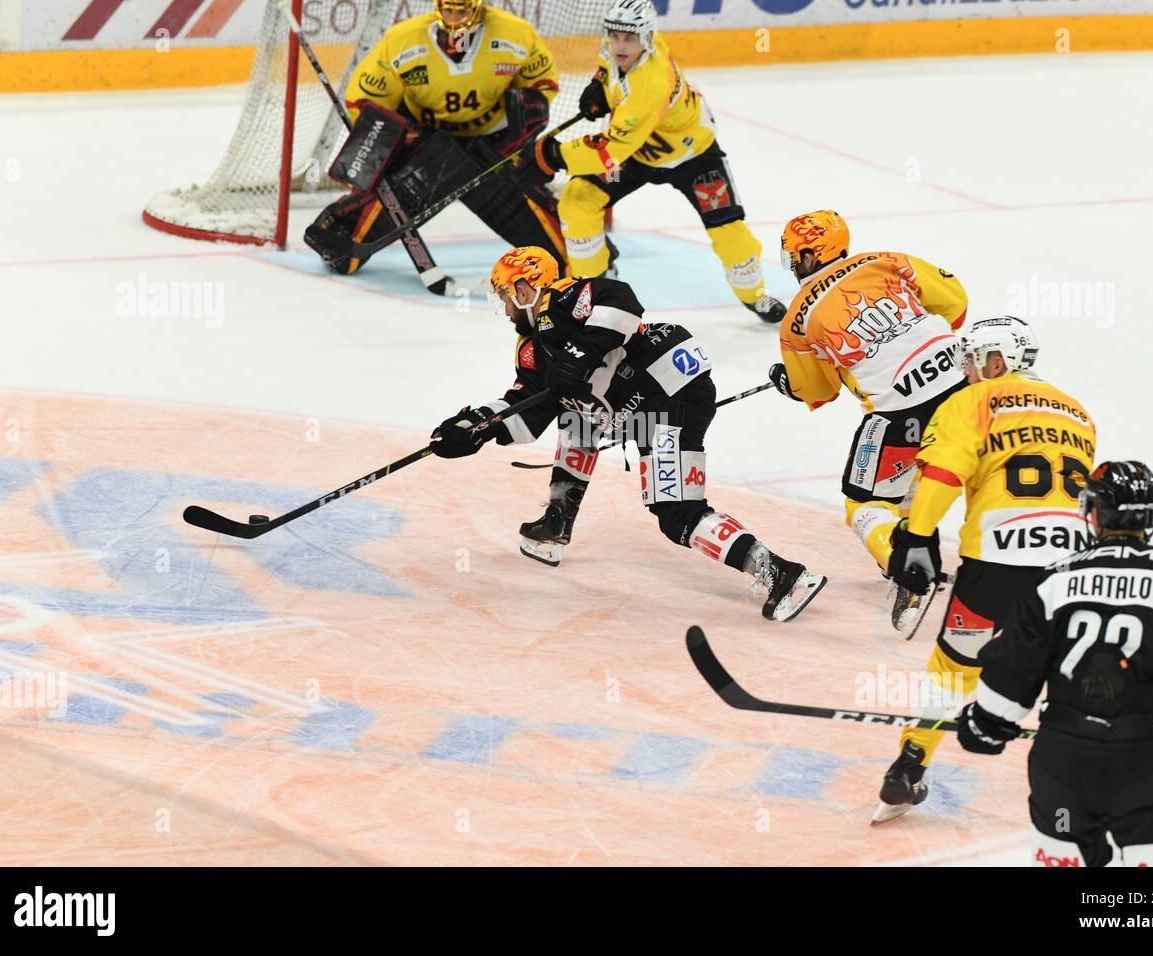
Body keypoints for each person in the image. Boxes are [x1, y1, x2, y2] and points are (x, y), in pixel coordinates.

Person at [429, 245, 827, 621]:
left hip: (668, 390)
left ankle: (782, 573)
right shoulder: (531, 349)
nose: (504, 307)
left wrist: (581, 353)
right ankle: (558, 518)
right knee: (577, 420)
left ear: (525, 288)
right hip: (644, 407)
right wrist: (476, 428)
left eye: (505, 296)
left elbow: (621, 301)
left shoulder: (564, 297)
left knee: (677, 515)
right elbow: (527, 407)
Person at [956, 461, 1153, 866]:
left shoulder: (1052, 579)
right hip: (1145, 762)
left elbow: (1013, 668)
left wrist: (988, 720)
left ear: (1095, 511)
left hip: (1062, 761)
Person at [872, 314, 1098, 823]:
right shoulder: (1079, 412)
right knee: (1073, 672)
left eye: (974, 360)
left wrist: (916, 535)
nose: (968, 370)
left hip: (997, 559)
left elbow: (944, 474)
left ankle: (908, 766)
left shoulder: (974, 400)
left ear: (999, 361)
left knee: (952, 671)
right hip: (1070, 568)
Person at [515, 0, 785, 322]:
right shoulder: (619, 48)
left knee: (728, 231)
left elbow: (610, 150)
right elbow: (610, 72)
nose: (620, 45)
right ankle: (597, 287)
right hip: (639, 155)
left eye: (629, 39)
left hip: (692, 155)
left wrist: (554, 155)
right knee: (577, 200)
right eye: (615, 36)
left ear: (647, 38)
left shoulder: (649, 84)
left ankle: (754, 295)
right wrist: (600, 87)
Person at [768, 209, 968, 615]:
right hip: (965, 388)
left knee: (865, 505)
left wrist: (790, 383)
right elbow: (956, 304)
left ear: (809, 256)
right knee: (919, 480)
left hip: (900, 414)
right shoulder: (886, 261)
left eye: (795, 255)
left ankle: (908, 568)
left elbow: (819, 392)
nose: (793, 264)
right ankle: (922, 549)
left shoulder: (796, 320)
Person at [304, 0, 567, 277]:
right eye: (449, 10)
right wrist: (394, 144)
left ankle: (575, 251)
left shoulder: (515, 34)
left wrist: (519, 132)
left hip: (492, 142)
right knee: (344, 255)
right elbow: (365, 100)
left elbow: (541, 85)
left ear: (479, 8)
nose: (454, 18)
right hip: (426, 143)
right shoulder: (403, 40)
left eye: (462, 10)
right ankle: (341, 236)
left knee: (564, 255)